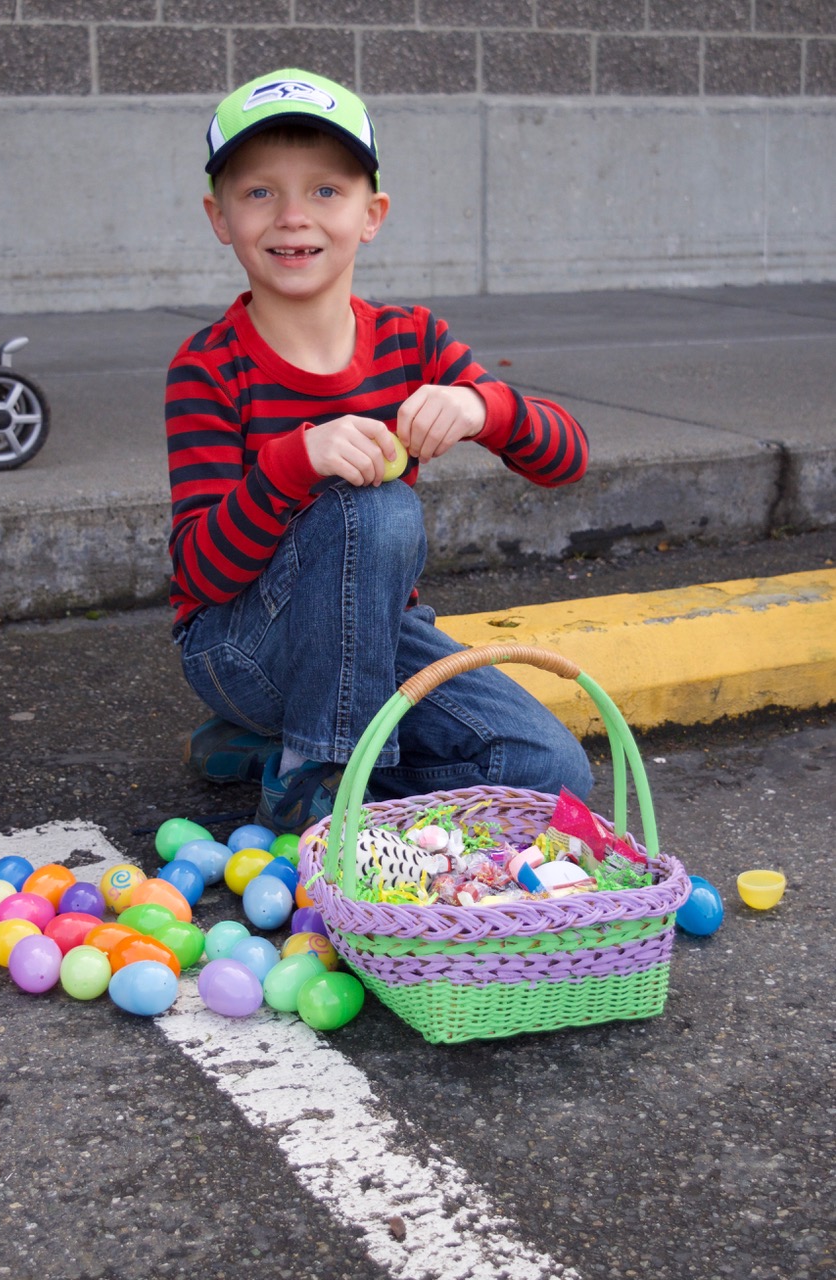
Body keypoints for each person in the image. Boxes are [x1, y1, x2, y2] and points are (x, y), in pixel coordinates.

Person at [166, 68, 593, 836]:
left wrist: (480, 407)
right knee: (375, 507)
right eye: (259, 192)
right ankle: (315, 781)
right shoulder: (208, 366)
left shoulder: (413, 340)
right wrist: (293, 463)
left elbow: (567, 459)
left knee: (549, 777)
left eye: (326, 191)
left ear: (372, 214)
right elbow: (199, 573)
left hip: (374, 642)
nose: (293, 215)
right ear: (219, 216)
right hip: (242, 649)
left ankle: (285, 751)